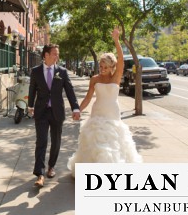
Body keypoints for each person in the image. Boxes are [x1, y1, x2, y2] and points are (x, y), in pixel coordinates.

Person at [68, 28, 142, 177]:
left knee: (113, 143)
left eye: (106, 67)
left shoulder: (116, 77)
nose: (102, 70)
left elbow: (121, 59)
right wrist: (78, 110)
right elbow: (88, 97)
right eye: (101, 67)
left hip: (112, 113)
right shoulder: (94, 79)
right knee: (96, 143)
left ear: (112, 67)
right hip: (97, 113)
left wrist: (116, 40)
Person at [28, 43, 80, 187]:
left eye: (57, 54)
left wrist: (75, 108)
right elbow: (32, 89)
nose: (57, 56)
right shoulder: (36, 71)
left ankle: (51, 166)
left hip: (57, 111)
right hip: (41, 112)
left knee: (56, 141)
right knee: (41, 141)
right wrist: (30, 105)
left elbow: (70, 91)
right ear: (46, 55)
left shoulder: (62, 72)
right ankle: (39, 174)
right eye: (55, 53)